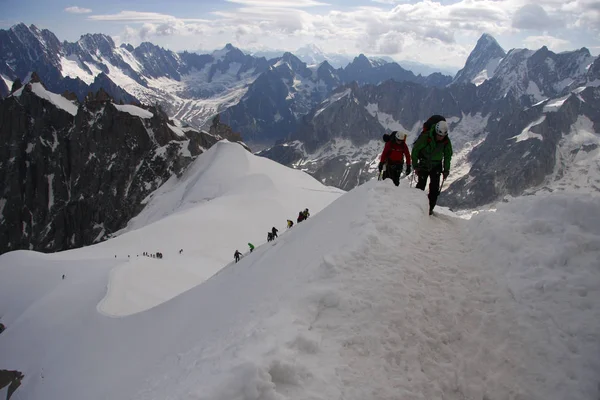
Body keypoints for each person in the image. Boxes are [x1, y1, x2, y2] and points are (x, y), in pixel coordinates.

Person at [412, 119, 453, 215]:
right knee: (421, 185)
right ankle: (416, 206)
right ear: (435, 131)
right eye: (439, 135)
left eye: (442, 136)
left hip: (436, 165)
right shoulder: (426, 137)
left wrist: (446, 169)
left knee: (434, 189)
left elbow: (448, 155)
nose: (440, 138)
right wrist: (415, 165)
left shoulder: (446, 141)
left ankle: (429, 209)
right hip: (424, 163)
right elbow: (415, 150)